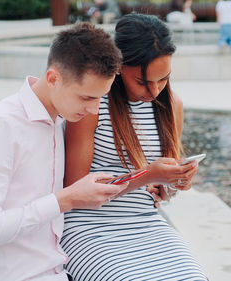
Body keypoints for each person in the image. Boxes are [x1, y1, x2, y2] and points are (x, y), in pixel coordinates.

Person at [0, 23, 124, 281]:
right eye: (86, 98)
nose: (94, 110)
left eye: (100, 98)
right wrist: (64, 199)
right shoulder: (1, 124)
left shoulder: (59, 119)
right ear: (53, 79)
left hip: (59, 269)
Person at [61, 14, 208, 281]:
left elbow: (161, 192)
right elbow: (75, 190)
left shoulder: (171, 105)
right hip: (89, 228)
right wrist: (147, 175)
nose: (154, 91)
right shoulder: (94, 104)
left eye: (163, 79)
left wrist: (176, 181)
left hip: (145, 223)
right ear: (118, 66)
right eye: (143, 82)